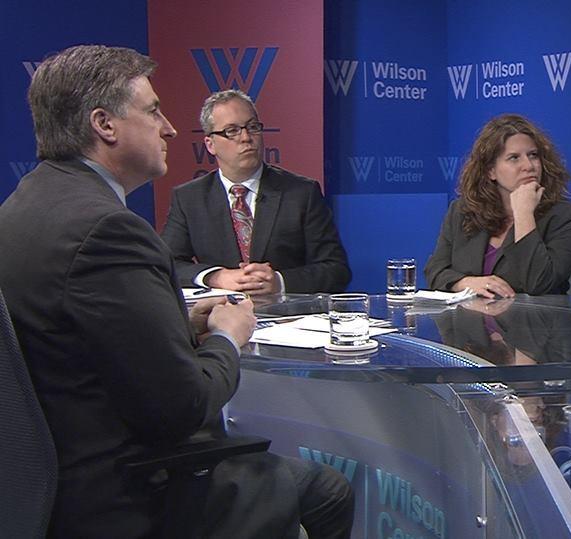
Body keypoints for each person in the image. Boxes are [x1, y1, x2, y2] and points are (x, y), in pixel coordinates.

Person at [0, 45, 353, 538]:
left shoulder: (23, 206)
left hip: (46, 482)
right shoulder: (106, 228)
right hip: (121, 490)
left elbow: (79, 338)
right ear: (105, 124)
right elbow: (183, 406)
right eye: (152, 111)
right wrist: (227, 335)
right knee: (328, 489)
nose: (168, 127)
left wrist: (177, 323)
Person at [161, 89, 350, 295]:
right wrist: (215, 276)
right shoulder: (189, 198)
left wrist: (279, 282)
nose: (246, 138)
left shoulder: (300, 193)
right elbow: (167, 264)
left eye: (252, 127)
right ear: (210, 144)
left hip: (287, 319)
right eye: (232, 131)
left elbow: (336, 269)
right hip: (222, 317)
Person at [424, 114, 571, 297]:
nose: (528, 166)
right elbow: (435, 270)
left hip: (537, 323)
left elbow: (539, 284)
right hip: (471, 323)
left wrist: (524, 214)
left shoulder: (566, 218)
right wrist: (466, 283)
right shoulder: (462, 212)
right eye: (514, 158)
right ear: (490, 171)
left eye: (533, 155)